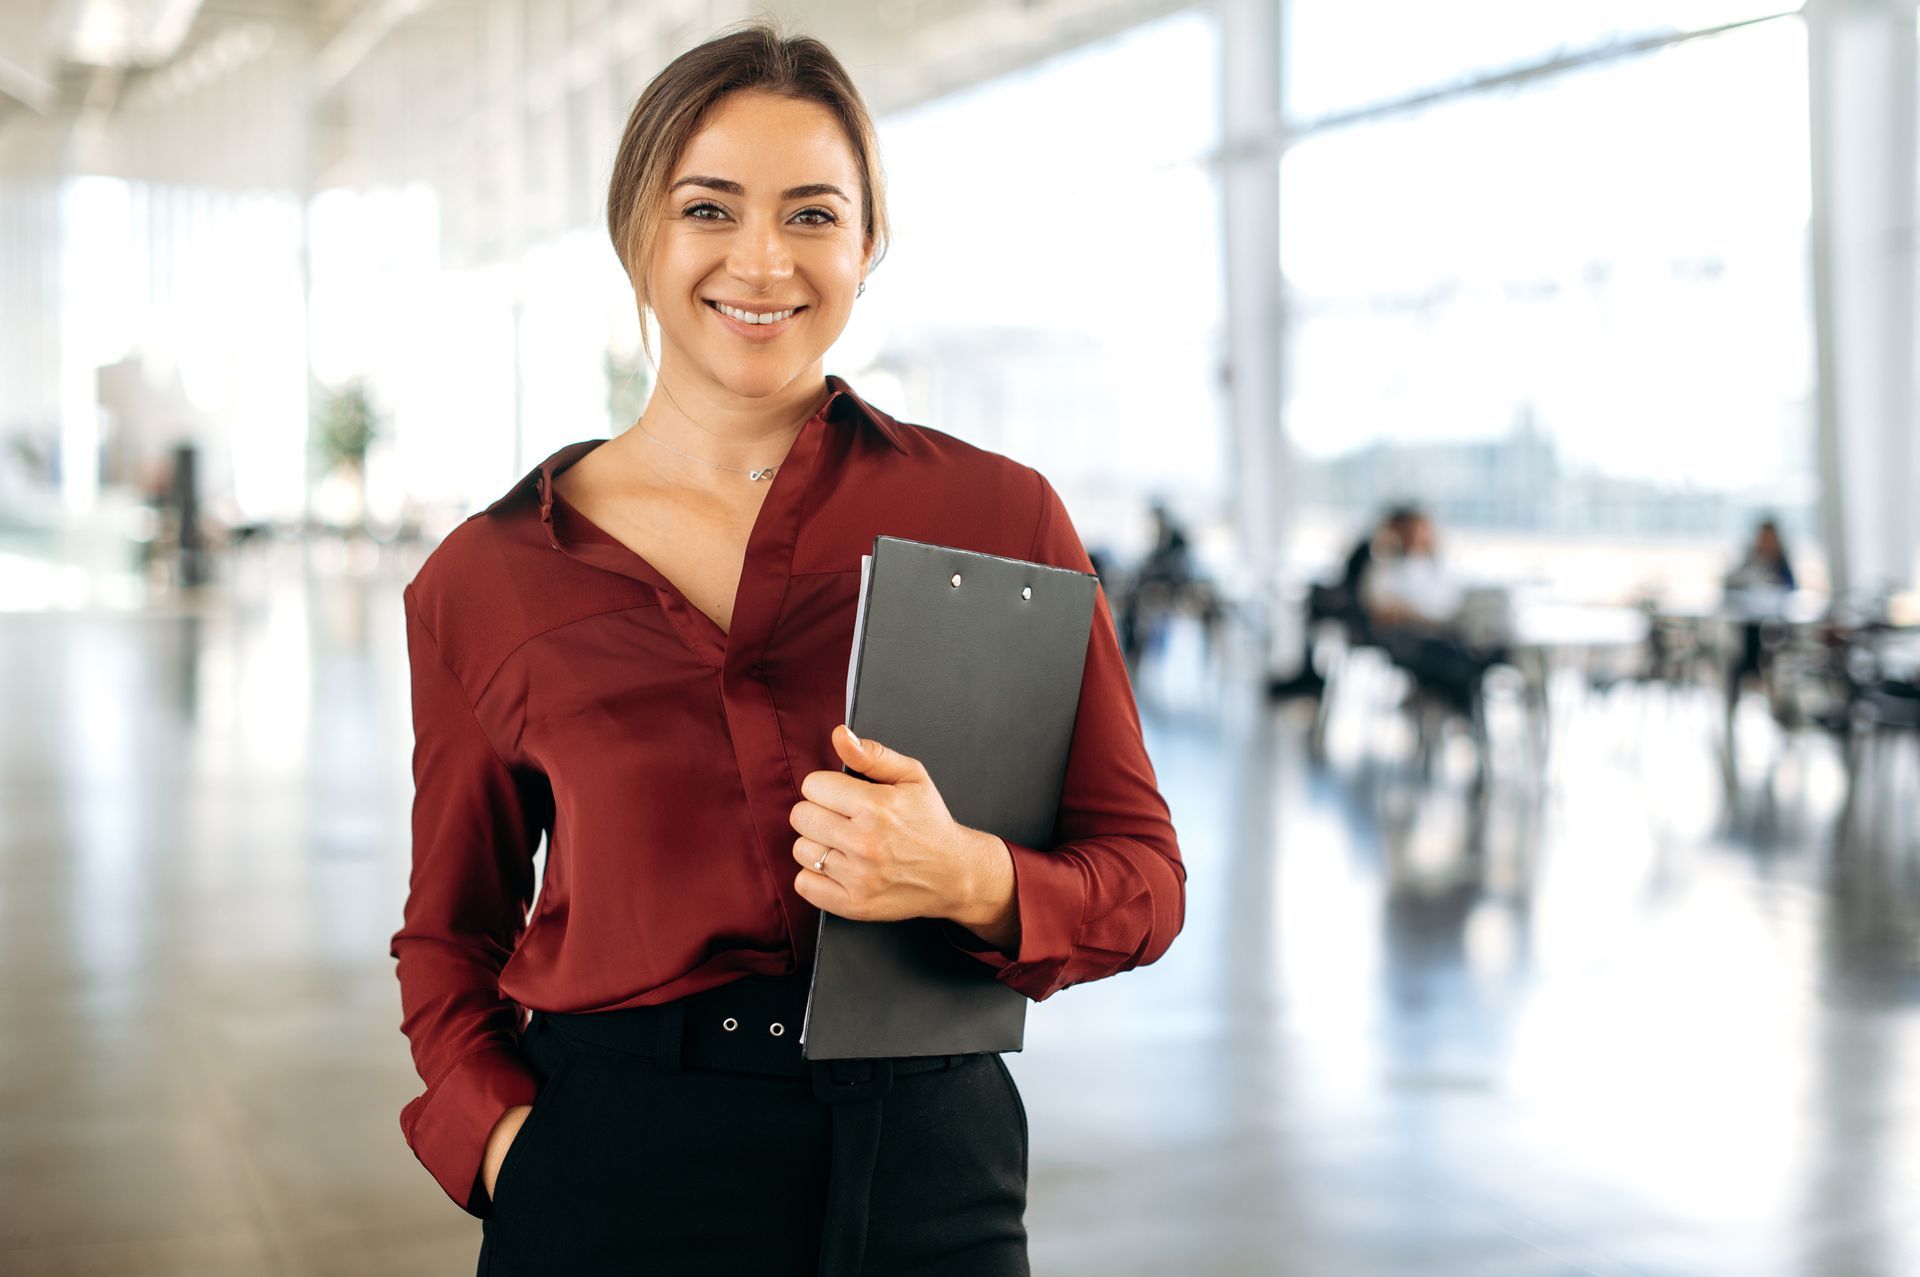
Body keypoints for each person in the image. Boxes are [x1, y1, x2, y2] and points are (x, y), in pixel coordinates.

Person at [388, 23, 1186, 1277]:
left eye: (814, 215)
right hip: (613, 1162)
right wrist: (504, 1144)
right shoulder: (489, 577)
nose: (764, 260)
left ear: (868, 247)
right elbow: (450, 929)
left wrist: (970, 873)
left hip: (927, 1166)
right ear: (638, 237)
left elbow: (1144, 876)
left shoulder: (999, 515)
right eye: (710, 207)